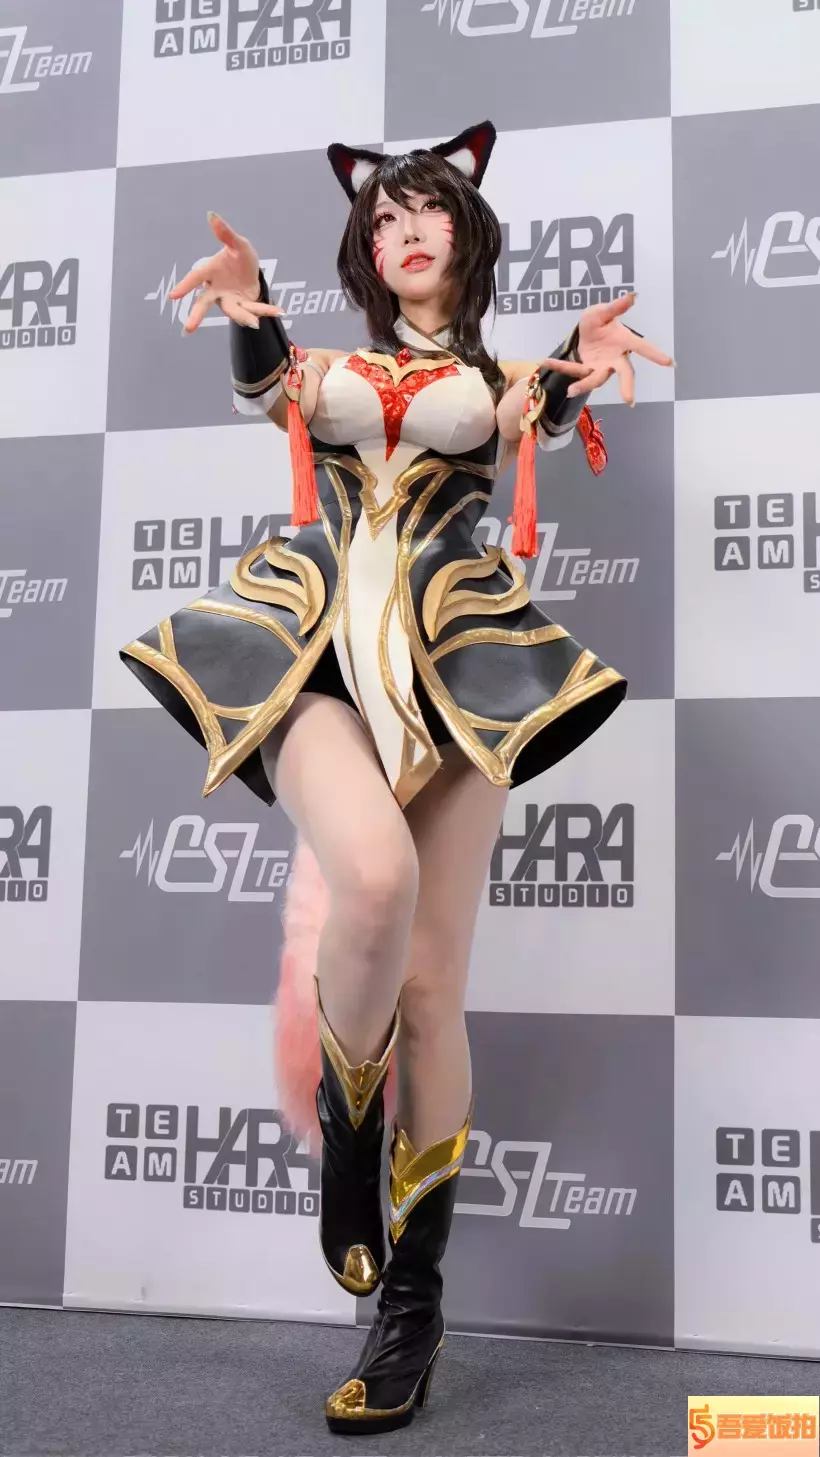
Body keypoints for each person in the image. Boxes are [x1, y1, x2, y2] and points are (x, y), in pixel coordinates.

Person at [120, 120, 672, 1436]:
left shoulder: (500, 378)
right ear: (364, 253)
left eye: (425, 209)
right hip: (316, 658)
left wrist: (581, 361)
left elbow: (542, 406)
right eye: (381, 217)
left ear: (466, 233)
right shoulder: (327, 368)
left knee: (431, 987)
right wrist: (254, 307)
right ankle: (348, 1132)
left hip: (463, 673)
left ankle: (411, 1313)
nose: (403, 229)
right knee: (370, 881)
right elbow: (270, 385)